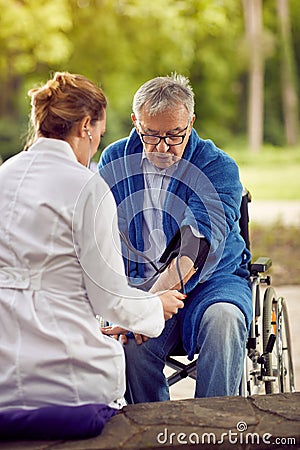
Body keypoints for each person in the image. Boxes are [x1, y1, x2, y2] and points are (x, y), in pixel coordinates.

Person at [0, 72, 185, 412]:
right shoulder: (88, 187)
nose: (95, 147)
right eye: (98, 135)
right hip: (65, 382)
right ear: (85, 125)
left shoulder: (4, 175)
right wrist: (156, 306)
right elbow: (110, 298)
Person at [98, 74, 253, 402]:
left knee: (224, 322)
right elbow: (101, 234)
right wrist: (130, 304)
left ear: (191, 122)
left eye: (174, 135)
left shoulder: (218, 167)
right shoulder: (114, 160)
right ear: (135, 122)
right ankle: (155, 430)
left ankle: (214, 427)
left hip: (213, 284)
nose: (163, 147)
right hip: (142, 281)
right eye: (151, 136)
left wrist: (144, 307)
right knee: (130, 345)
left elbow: (193, 246)